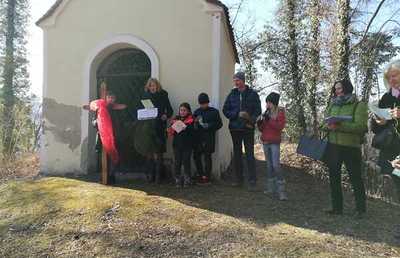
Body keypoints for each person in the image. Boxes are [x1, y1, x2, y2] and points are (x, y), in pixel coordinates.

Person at [323, 79, 368, 218]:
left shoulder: (359, 105)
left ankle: (360, 210)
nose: (338, 91)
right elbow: (324, 123)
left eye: (340, 88)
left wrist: (340, 126)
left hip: (351, 147)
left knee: (355, 179)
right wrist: (328, 126)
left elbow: (361, 127)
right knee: (334, 178)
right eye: (336, 89)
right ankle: (337, 208)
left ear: (347, 88)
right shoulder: (332, 104)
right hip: (333, 146)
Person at [223, 71, 262, 191]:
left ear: (243, 80)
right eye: (234, 80)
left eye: (237, 80)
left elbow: (258, 111)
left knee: (250, 154)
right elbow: (225, 110)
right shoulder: (232, 94)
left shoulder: (253, 94)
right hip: (235, 128)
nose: (235, 82)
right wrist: (236, 114)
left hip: (248, 128)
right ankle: (238, 180)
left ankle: (252, 181)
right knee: (237, 155)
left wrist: (251, 119)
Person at [371, 60, 400, 202]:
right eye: (389, 77)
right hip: (391, 150)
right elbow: (377, 129)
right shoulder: (387, 97)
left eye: (394, 75)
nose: (391, 80)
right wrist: (378, 122)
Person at [83, 91, 127, 184]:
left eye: (113, 98)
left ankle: (111, 176)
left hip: (114, 136)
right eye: (109, 97)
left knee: (113, 157)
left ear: (115, 99)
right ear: (106, 98)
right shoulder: (100, 108)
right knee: (103, 157)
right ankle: (103, 176)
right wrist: (98, 123)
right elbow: (94, 122)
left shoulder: (117, 110)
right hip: (102, 136)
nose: (111, 99)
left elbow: (121, 122)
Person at [142, 78, 173, 183]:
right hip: (148, 126)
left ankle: (158, 177)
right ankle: (150, 176)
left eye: (154, 85)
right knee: (149, 152)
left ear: (157, 86)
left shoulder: (163, 95)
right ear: (148, 87)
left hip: (159, 126)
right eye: (150, 86)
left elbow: (170, 110)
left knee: (158, 152)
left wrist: (166, 115)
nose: (152, 87)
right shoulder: (145, 96)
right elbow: (139, 109)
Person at [257, 92, 287, 200]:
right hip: (265, 141)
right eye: (266, 103)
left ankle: (281, 190)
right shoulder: (266, 113)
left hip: (274, 142)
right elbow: (262, 129)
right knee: (269, 166)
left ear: (274, 103)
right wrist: (260, 122)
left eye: (269, 103)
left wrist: (269, 120)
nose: (267, 105)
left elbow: (280, 127)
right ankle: (271, 188)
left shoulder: (280, 112)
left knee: (276, 165)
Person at [193, 93, 223, 185]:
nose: (203, 105)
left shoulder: (214, 112)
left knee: (207, 157)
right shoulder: (196, 112)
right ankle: (200, 174)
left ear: (208, 102)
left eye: (205, 103)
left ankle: (207, 176)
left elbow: (219, 124)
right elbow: (193, 126)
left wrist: (210, 125)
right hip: (198, 138)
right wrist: (195, 122)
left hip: (209, 137)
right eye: (201, 104)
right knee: (196, 156)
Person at [168, 103, 195, 188]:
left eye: (184, 110)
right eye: (181, 110)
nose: (182, 112)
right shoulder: (175, 119)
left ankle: (187, 179)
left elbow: (193, 132)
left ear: (188, 111)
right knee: (177, 162)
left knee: (186, 162)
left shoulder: (191, 120)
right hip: (177, 145)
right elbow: (171, 131)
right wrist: (171, 128)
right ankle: (177, 180)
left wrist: (186, 128)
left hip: (187, 145)